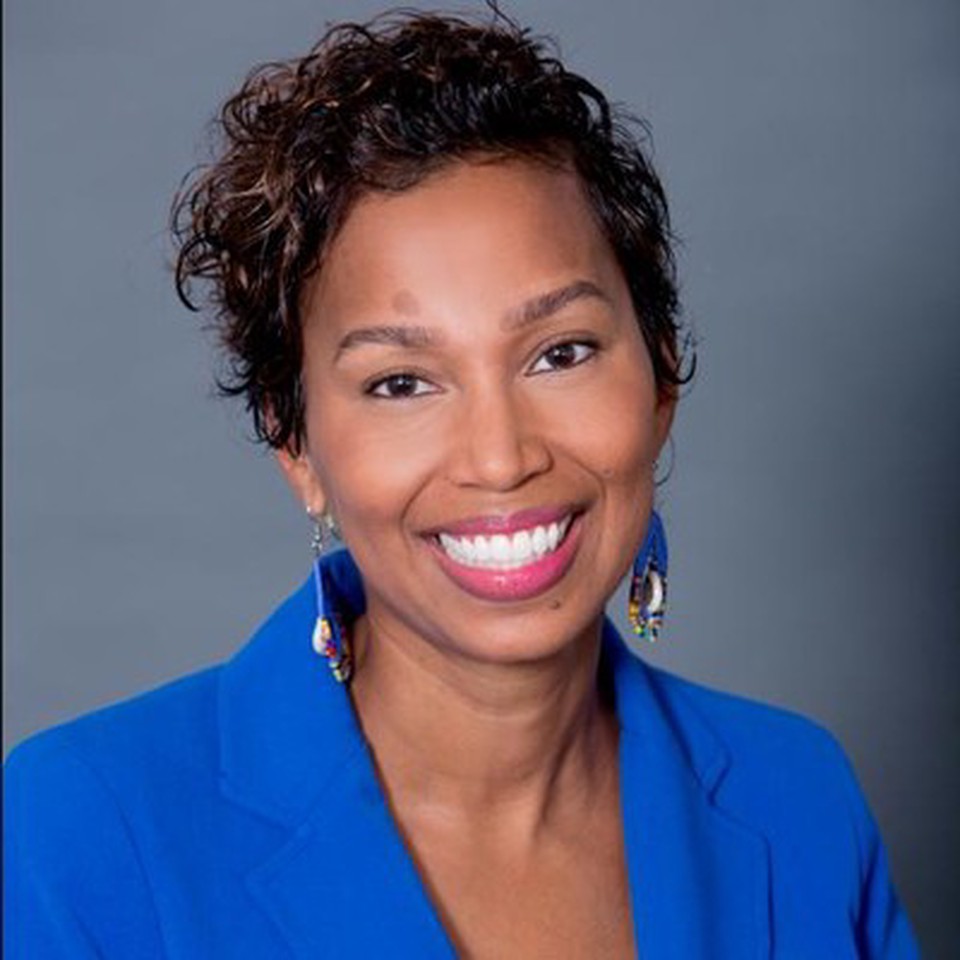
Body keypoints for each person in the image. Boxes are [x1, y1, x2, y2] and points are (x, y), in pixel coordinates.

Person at [3, 8, 919, 958]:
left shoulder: (799, 798)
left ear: (660, 379)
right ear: (297, 446)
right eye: (400, 382)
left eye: (560, 352)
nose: (499, 456)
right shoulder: (80, 832)